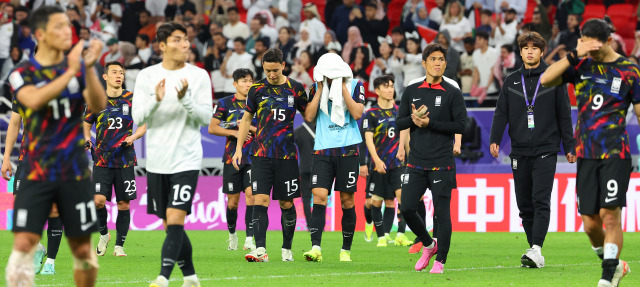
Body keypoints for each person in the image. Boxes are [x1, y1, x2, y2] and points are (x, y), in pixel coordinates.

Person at [5, 5, 106, 287]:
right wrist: (72, 70)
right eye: (59, 26)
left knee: (84, 253)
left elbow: (98, 106)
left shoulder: (76, 69)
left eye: (68, 26)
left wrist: (87, 70)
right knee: (23, 244)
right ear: (41, 34)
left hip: (73, 172)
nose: (67, 31)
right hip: (35, 170)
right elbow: (34, 100)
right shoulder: (21, 73)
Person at [540, 17, 634, 287]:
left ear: (608, 41)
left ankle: (607, 277)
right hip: (586, 153)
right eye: (587, 47)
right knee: (591, 224)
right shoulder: (579, 65)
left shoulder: (629, 71)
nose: (592, 52)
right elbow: (546, 79)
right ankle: (613, 265)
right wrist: (574, 53)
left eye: (596, 47)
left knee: (610, 215)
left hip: (616, 152)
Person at [133, 22, 213, 287]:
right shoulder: (146, 75)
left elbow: (206, 118)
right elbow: (137, 117)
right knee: (170, 225)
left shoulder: (199, 76)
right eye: (178, 40)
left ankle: (162, 278)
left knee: (176, 218)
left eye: (186, 39)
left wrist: (186, 99)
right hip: (157, 161)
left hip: (186, 160)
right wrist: (156, 99)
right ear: (162, 45)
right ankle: (190, 278)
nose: (185, 44)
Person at [490, 32, 575, 268]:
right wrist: (495, 138)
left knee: (540, 200)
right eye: (525, 48)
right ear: (520, 52)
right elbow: (501, 113)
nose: (530, 51)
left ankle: (536, 247)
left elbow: (564, 115)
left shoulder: (554, 79)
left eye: (534, 48)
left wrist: (569, 145)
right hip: (519, 150)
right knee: (524, 205)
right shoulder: (511, 81)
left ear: (541, 51)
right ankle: (534, 251)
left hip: (546, 149)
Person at [232, 48, 307, 263]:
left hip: (287, 156)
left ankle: (287, 249)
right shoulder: (256, 89)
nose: (271, 74)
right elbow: (247, 119)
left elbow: (309, 113)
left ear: (283, 65)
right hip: (261, 154)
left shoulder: (296, 88)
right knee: (260, 199)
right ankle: (260, 250)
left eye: (275, 70)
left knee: (286, 203)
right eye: (267, 70)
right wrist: (238, 148)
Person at [396, 43, 467, 274]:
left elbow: (460, 125)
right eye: (433, 59)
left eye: (441, 59)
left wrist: (430, 123)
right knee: (406, 208)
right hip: (416, 161)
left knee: (441, 213)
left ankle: (440, 261)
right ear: (424, 63)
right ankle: (428, 244)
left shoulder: (453, 93)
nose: (437, 63)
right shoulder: (412, 90)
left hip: (442, 162)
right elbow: (399, 123)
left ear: (445, 64)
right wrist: (413, 119)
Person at [302, 52, 364, 262]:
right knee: (318, 196)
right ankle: (316, 248)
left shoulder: (356, 86)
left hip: (347, 150)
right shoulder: (314, 88)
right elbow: (309, 116)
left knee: (347, 200)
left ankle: (345, 249)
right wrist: (321, 89)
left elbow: (357, 114)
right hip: (323, 150)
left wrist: (342, 86)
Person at [83, 61, 147, 258]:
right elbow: (86, 123)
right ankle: (104, 234)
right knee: (98, 202)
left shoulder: (132, 99)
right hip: (102, 158)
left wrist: (133, 137)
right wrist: (87, 139)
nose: (119, 75)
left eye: (121, 72)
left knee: (124, 204)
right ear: (105, 77)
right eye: (114, 72)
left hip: (125, 159)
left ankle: (119, 246)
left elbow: (144, 125)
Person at [208, 68, 257, 252]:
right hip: (231, 158)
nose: (248, 84)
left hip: (252, 157)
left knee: (251, 196)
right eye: (244, 81)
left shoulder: (257, 103)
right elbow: (212, 128)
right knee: (233, 202)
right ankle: (232, 234)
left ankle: (250, 238)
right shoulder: (224, 103)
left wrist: (247, 128)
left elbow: (263, 130)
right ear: (235, 83)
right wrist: (234, 133)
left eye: (251, 81)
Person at [363, 74, 412, 247]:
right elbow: (368, 140)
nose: (390, 89)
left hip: (398, 163)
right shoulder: (371, 114)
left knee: (403, 198)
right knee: (375, 201)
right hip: (379, 164)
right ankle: (381, 236)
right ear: (377, 91)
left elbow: (405, 137)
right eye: (386, 86)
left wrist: (409, 156)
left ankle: (400, 234)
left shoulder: (400, 112)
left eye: (392, 85)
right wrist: (375, 160)